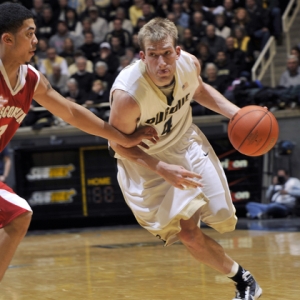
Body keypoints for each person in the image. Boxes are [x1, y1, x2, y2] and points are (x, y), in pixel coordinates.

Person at [0, 2, 157, 282]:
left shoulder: (31, 80)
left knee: (19, 216)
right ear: (7, 39)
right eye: (29, 33)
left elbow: (72, 112)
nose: (36, 40)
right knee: (19, 215)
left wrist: (123, 137)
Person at [108, 17, 262, 300]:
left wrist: (238, 114)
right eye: (153, 56)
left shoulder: (189, 64)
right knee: (189, 234)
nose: (162, 63)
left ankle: (201, 216)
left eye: (167, 53)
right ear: (142, 57)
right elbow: (116, 145)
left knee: (223, 217)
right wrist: (162, 168)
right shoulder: (128, 95)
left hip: (186, 144)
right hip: (147, 161)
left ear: (177, 52)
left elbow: (198, 89)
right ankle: (244, 280)